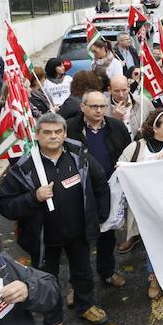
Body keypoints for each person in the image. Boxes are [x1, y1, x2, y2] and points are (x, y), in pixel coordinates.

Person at [0, 112, 110, 325]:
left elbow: (99, 181)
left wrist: (99, 215)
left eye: (58, 131)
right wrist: (33, 197)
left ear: (65, 133)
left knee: (83, 271)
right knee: (47, 281)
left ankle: (85, 305)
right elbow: (5, 205)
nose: (53, 137)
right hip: (44, 239)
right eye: (47, 132)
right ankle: (53, 321)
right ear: (37, 135)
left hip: (78, 233)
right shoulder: (24, 167)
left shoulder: (79, 155)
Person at [117, 110, 163, 297]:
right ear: (156, 129)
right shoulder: (136, 148)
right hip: (147, 208)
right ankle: (155, 276)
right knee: (153, 242)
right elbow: (120, 167)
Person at [66, 91, 130, 293]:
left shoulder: (116, 126)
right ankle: (77, 287)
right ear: (82, 107)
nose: (99, 110)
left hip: (108, 191)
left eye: (102, 106)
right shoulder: (69, 129)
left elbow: (128, 153)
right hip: (78, 193)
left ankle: (107, 272)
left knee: (107, 236)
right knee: (78, 242)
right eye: (94, 106)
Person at [106, 74, 153, 139]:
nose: (121, 95)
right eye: (116, 91)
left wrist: (146, 131)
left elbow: (156, 124)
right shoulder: (103, 107)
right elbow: (105, 136)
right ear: (109, 90)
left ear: (129, 87)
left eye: (124, 90)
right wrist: (115, 120)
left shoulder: (144, 102)